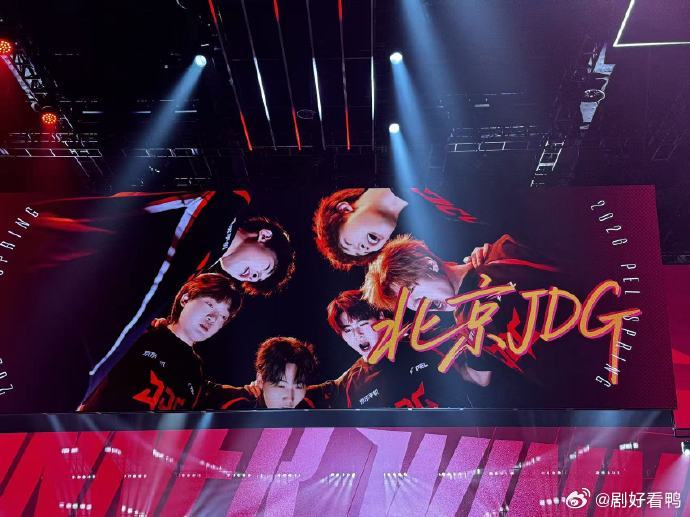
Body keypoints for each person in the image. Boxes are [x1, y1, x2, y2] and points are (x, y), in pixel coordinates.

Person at [362, 234, 562, 406]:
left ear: (429, 265)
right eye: (407, 304)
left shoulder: (501, 255)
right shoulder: (464, 324)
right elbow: (480, 377)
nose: (417, 305)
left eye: (411, 292)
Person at [78, 273, 242, 412]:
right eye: (209, 304)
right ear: (185, 299)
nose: (212, 318)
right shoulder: (139, 334)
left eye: (223, 316)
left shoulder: (196, 372)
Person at [303, 290, 484, 409]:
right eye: (348, 330)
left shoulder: (424, 342)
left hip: (461, 447)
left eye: (363, 324)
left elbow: (480, 376)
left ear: (381, 317)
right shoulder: (349, 386)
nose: (358, 335)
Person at [313, 187, 489, 272]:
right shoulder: (429, 239)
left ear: (345, 209)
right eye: (362, 252)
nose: (364, 248)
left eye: (349, 243)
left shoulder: (402, 164)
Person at [201, 337, 319, 409]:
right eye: (281, 386)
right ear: (261, 380)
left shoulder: (311, 404)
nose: (290, 398)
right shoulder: (235, 403)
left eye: (298, 386)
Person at [208, 216, 296, 297]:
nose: (254, 277)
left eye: (258, 278)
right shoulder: (227, 208)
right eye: (267, 267)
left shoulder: (202, 263)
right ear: (264, 236)